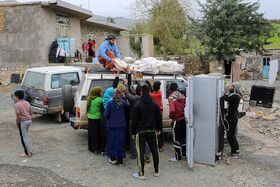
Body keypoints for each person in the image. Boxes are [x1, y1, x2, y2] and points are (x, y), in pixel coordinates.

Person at [131, 85, 162, 180]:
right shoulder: (155, 104)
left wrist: (133, 132)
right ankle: (156, 171)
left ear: (141, 92)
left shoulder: (137, 105)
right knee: (155, 151)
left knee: (141, 152)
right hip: (152, 131)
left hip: (141, 132)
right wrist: (159, 129)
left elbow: (134, 120)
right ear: (149, 92)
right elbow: (159, 118)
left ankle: (141, 174)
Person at [124, 69, 151, 163]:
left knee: (133, 137)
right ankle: (147, 155)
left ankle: (134, 154)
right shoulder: (146, 98)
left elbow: (126, 93)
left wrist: (126, 84)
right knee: (145, 138)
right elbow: (141, 88)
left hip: (134, 121)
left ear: (138, 91)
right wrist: (135, 77)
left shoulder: (133, 99)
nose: (132, 90)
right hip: (143, 121)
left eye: (134, 89)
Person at [104, 88, 127, 166]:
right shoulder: (123, 103)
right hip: (121, 125)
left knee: (112, 142)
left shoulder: (110, 103)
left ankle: (113, 158)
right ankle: (120, 161)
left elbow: (106, 115)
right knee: (120, 142)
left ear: (113, 94)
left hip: (111, 125)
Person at [168, 83, 186, 162]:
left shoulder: (171, 98)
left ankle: (178, 157)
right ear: (177, 88)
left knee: (176, 139)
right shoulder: (182, 96)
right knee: (183, 138)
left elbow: (172, 110)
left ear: (170, 89)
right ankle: (184, 154)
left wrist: (171, 116)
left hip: (176, 120)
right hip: (183, 119)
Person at [225, 82, 242, 157]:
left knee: (230, 135)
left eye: (232, 86)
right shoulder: (234, 95)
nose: (230, 87)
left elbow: (225, 98)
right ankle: (236, 149)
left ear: (235, 88)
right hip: (232, 117)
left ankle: (234, 151)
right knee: (231, 135)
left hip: (232, 118)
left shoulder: (235, 97)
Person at [14, 90, 33, 158]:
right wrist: (29, 117)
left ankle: (27, 153)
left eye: (15, 96)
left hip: (23, 122)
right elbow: (31, 111)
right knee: (26, 136)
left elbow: (18, 115)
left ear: (17, 97)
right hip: (29, 121)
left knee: (24, 138)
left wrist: (17, 122)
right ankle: (29, 150)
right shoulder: (27, 103)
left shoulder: (17, 105)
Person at [147, 79, 164, 152]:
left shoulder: (151, 95)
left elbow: (150, 93)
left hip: (154, 114)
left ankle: (154, 146)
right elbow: (155, 89)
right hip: (160, 114)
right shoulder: (160, 93)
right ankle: (161, 147)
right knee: (160, 130)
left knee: (154, 130)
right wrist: (151, 83)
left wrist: (150, 82)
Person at [87, 86, 103, 153]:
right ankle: (96, 149)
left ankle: (91, 148)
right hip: (97, 118)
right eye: (101, 91)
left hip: (90, 118)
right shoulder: (100, 99)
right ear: (97, 92)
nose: (102, 93)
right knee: (97, 134)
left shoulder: (89, 98)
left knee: (91, 134)